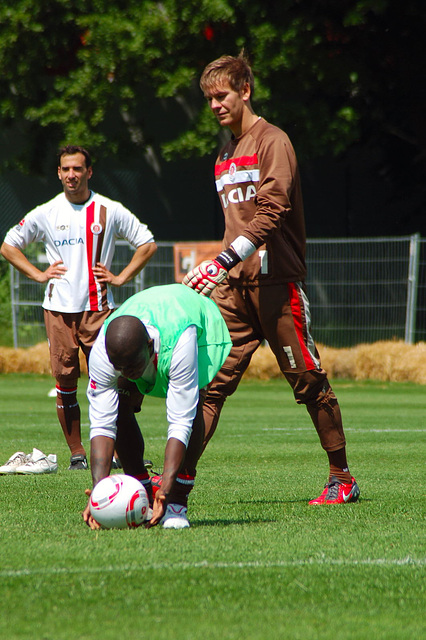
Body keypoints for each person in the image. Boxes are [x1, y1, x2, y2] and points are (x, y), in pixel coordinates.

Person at [182, 54, 360, 505]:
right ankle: (176, 482)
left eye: (221, 95)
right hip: (233, 292)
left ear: (245, 89)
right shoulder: (223, 155)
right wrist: (217, 266)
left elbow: (272, 210)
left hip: (277, 285)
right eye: (208, 99)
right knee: (208, 385)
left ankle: (342, 478)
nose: (215, 105)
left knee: (309, 382)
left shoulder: (272, 141)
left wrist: (220, 260)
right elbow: (235, 223)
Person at [0, 145, 157, 471]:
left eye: (77, 169)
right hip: (58, 311)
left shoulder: (109, 209)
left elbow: (147, 243)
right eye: (65, 169)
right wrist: (38, 274)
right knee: (66, 383)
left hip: (100, 310)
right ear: (58, 173)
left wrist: (121, 276)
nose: (71, 175)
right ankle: (77, 454)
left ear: (89, 172)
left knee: (115, 381)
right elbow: (9, 245)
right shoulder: (46, 212)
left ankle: (117, 452)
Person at [82, 283, 232, 529]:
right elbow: (101, 423)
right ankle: (141, 489)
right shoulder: (103, 352)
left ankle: (177, 503)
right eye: (119, 367)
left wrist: (167, 488)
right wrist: (98, 492)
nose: (126, 374)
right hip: (146, 322)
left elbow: (180, 421)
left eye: (131, 367)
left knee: (192, 411)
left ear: (150, 347)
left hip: (191, 320)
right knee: (119, 402)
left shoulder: (181, 343)